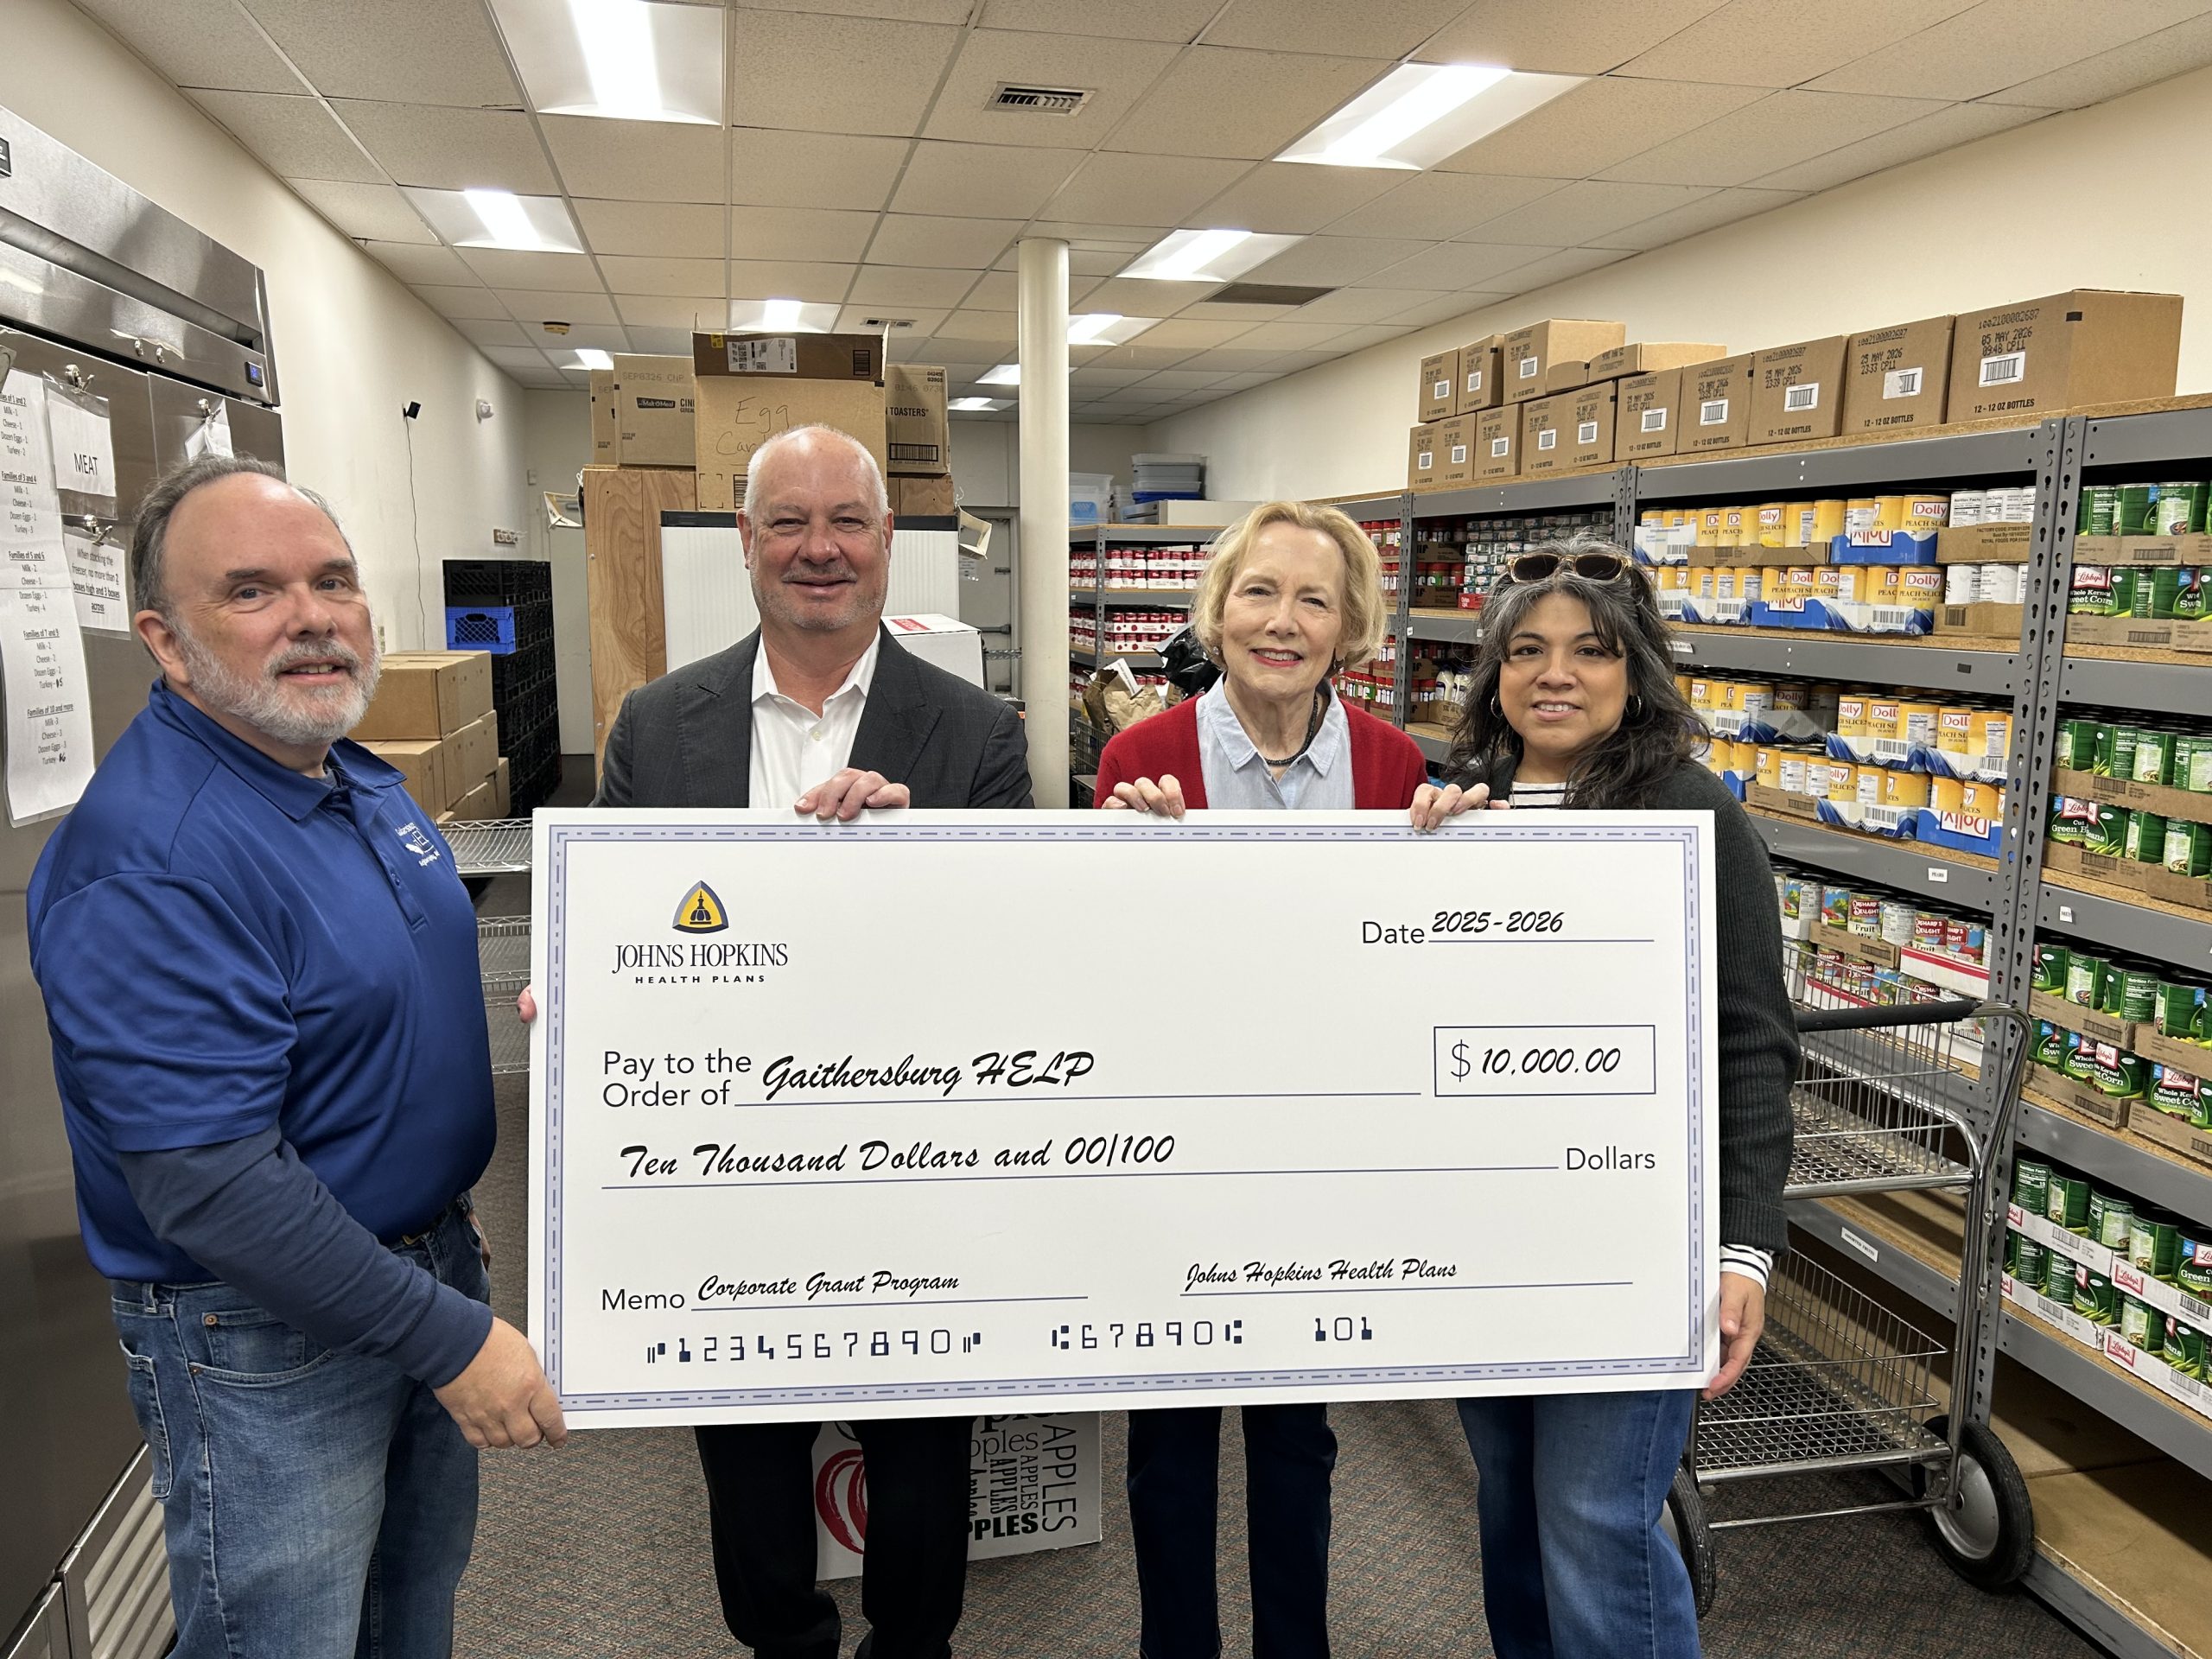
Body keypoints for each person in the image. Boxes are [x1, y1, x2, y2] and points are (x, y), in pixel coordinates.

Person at [27, 455, 563, 1659]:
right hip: (260, 1333)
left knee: (405, 1614)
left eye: (334, 581)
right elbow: (210, 1183)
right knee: (289, 1638)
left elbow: (387, 998)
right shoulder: (154, 858)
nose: (313, 617)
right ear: (167, 644)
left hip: (417, 1268)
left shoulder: (344, 778)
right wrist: (450, 1340)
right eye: (253, 591)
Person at [596, 423, 1031, 1659]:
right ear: (745, 540)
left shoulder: (976, 731)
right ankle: (782, 1641)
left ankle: (913, 1643)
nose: (819, 548)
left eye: (847, 521)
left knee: (922, 1445)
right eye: (788, 521)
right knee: (747, 1445)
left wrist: (916, 853)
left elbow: (1012, 956)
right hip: (723, 1159)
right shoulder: (655, 725)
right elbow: (624, 936)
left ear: (889, 540)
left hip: (916, 1157)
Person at [1093, 500, 1473, 1659]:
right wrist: (1125, 868)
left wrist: (1462, 862)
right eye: (1259, 592)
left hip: (1322, 1157)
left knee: (1297, 1437)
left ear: (1350, 626)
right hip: (1174, 1151)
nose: (1282, 621)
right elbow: (1093, 972)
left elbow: (1417, 968)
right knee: (1169, 1442)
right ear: (1218, 612)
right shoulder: (1141, 760)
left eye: (1315, 599)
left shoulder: (1395, 765)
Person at [1415, 536, 1797, 1659]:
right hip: (1486, 1235)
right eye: (1526, 650)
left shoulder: (1691, 812)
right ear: (1493, 671)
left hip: (1630, 1237)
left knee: (1595, 1520)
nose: (1556, 674)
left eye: (1591, 649)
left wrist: (1743, 1248)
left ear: (1637, 669)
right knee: (1509, 1506)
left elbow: (1752, 1041)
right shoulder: (1458, 802)